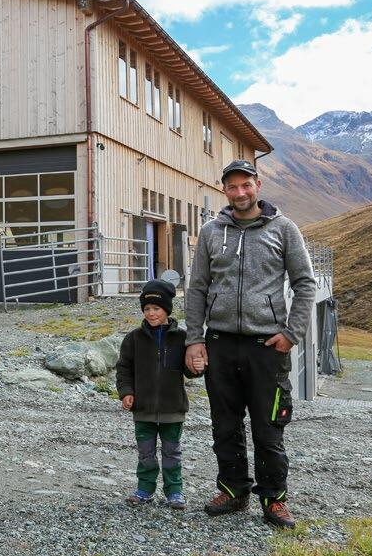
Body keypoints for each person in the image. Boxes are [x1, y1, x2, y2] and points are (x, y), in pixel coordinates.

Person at [184, 159, 316, 529]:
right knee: (224, 425)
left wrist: (292, 333)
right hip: (220, 344)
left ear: (258, 184)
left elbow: (305, 283)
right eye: (232, 187)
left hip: (266, 347)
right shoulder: (211, 232)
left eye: (246, 185)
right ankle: (233, 490)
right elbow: (197, 288)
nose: (240, 193)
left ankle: (274, 499)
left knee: (268, 429)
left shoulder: (284, 229)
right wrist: (194, 339)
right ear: (223, 190)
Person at [115, 279, 200, 509]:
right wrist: (126, 392)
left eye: (156, 309)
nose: (151, 313)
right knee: (146, 454)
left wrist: (197, 367)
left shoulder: (182, 339)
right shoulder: (133, 339)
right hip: (143, 410)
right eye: (147, 309)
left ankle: (175, 491)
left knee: (172, 452)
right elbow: (123, 369)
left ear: (167, 310)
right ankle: (145, 489)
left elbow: (191, 372)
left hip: (173, 409)